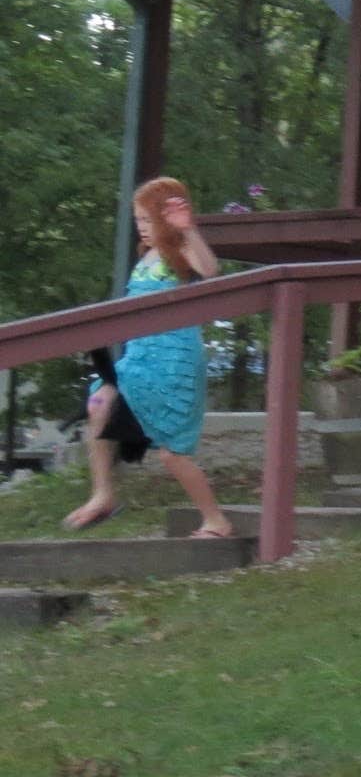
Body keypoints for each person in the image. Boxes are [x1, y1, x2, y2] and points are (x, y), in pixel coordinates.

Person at [63, 178, 234, 537]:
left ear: (168, 218)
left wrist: (187, 230)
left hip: (173, 363)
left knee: (173, 453)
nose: (141, 226)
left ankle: (216, 520)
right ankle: (103, 493)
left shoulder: (180, 251)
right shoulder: (145, 259)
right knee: (99, 400)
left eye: (148, 219)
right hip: (140, 360)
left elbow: (209, 269)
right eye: (138, 220)